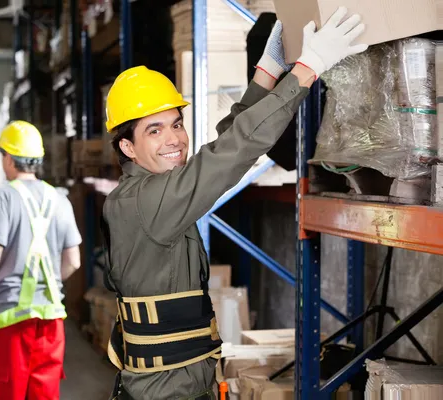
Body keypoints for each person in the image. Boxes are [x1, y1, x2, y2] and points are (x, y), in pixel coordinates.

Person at [100, 7, 368, 400]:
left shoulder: (158, 189)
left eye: (176, 124)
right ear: (128, 147)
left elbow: (226, 141)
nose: (174, 139)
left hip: (188, 386)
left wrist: (267, 71)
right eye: (154, 131)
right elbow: (232, 151)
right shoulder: (144, 202)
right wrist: (306, 70)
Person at [0, 120, 83, 400]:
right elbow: (73, 261)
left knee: (6, 393)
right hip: (50, 321)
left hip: (11, 322)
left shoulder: (5, 197)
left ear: (8, 158)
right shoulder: (60, 199)